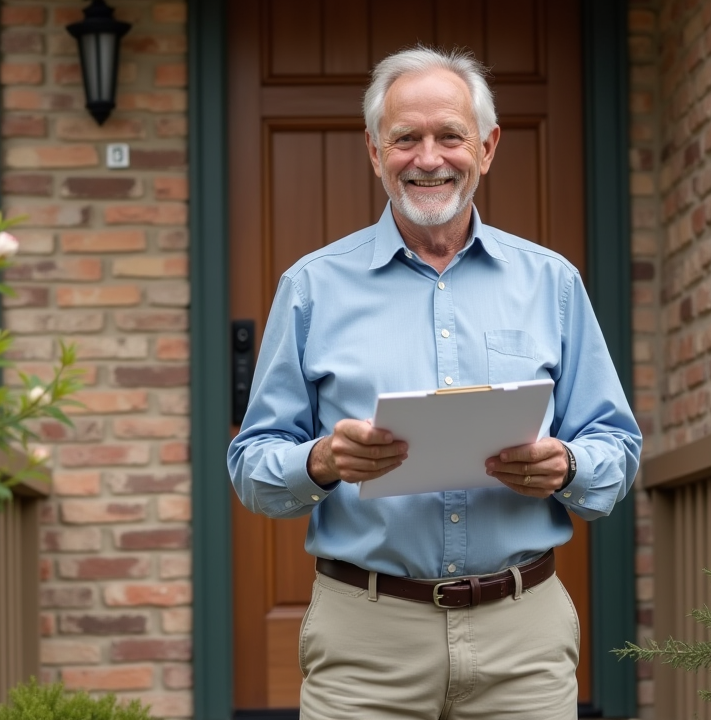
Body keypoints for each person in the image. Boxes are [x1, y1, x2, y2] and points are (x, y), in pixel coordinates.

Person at [227, 46, 642, 720]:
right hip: (365, 642)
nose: (428, 158)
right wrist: (322, 460)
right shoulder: (311, 288)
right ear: (373, 151)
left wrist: (567, 465)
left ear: (486, 147)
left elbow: (616, 452)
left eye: (450, 135)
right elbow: (251, 469)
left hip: (522, 640)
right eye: (406, 139)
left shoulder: (552, 283)